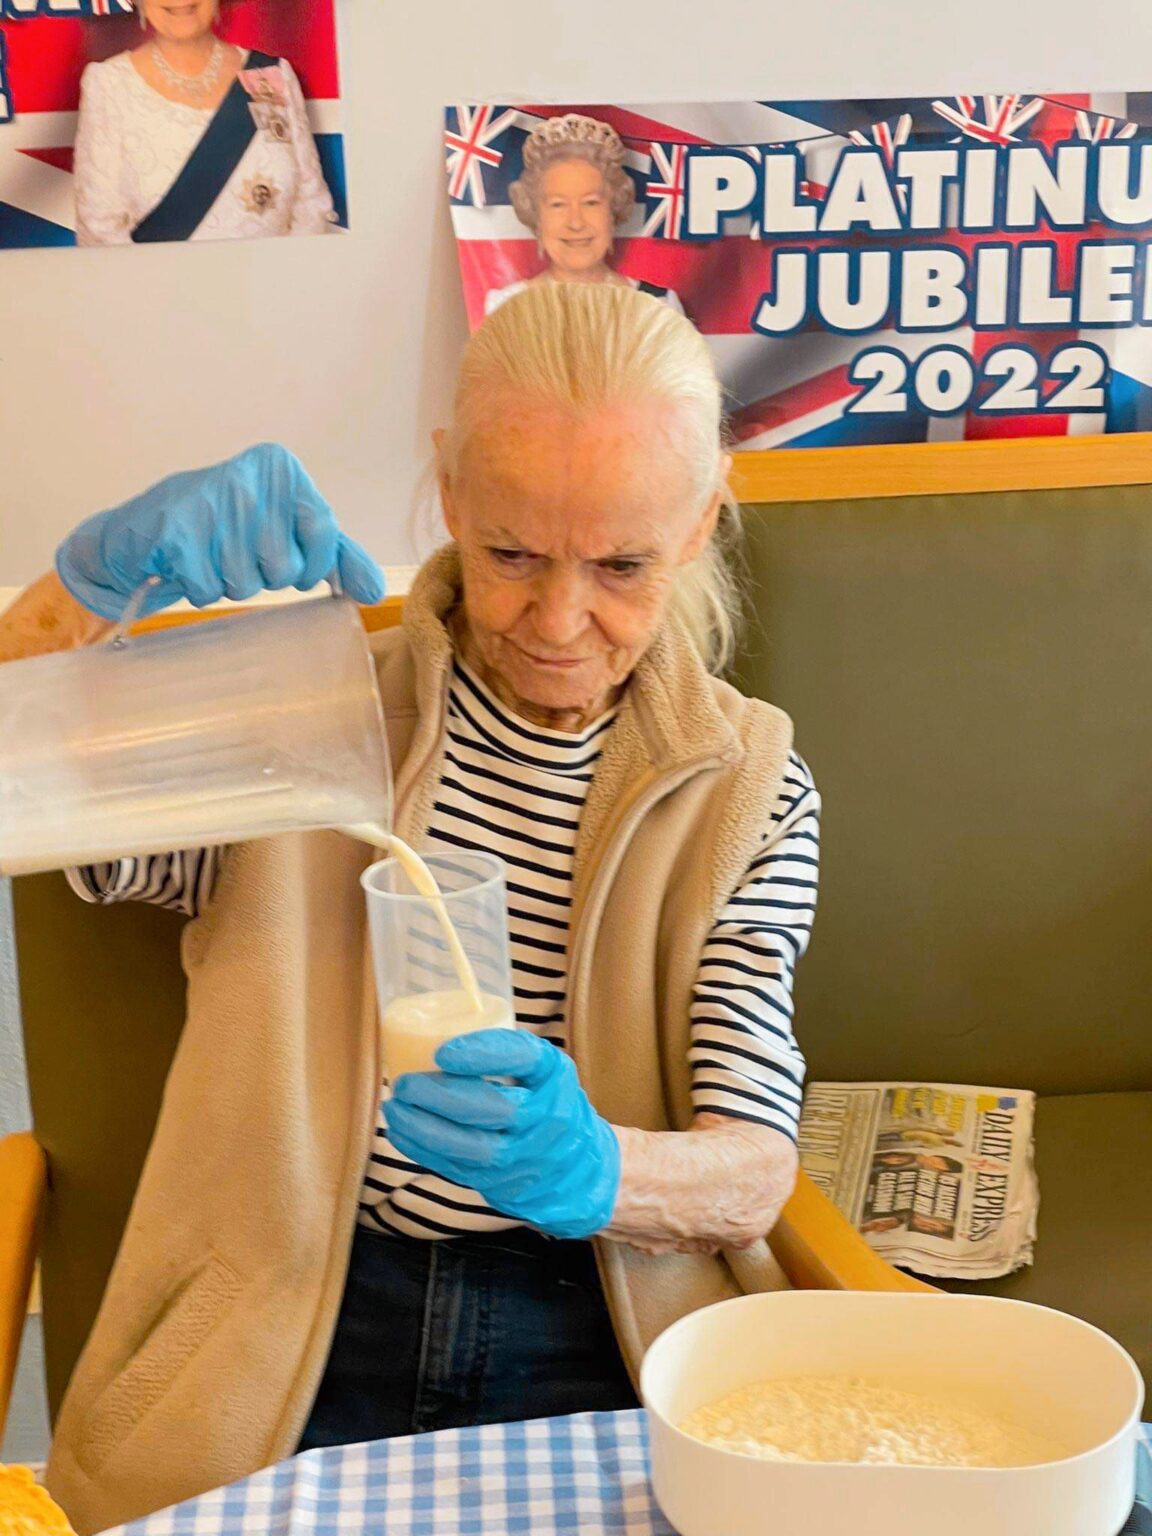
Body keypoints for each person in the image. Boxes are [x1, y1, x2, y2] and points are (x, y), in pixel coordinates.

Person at [1, 286, 819, 1535]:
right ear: (449, 492)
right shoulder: (297, 716)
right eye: (511, 555)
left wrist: (600, 1169)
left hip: (602, 1322)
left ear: (701, 520)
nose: (559, 622)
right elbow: (23, 782)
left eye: (621, 566)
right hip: (300, 1318)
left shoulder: (746, 788)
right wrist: (80, 592)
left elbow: (752, 1169)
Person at [73, 0, 338, 246]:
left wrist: (286, 277)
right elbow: (99, 230)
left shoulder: (270, 75)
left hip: (276, 278)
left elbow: (311, 204)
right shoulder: (109, 84)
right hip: (162, 282)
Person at [484, 114, 685, 316]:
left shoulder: (660, 306)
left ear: (613, 210)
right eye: (558, 205)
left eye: (591, 203)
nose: (576, 223)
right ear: (536, 216)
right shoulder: (504, 307)